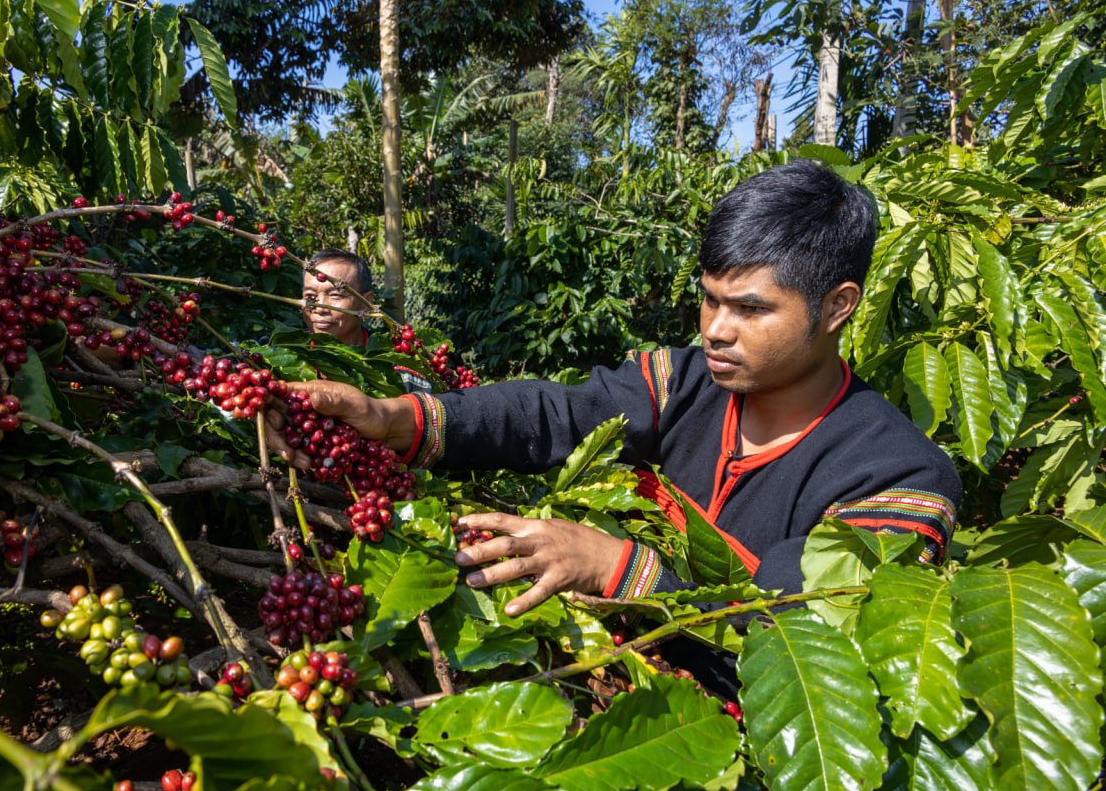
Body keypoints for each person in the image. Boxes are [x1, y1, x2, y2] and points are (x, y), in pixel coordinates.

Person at [274, 161, 962, 623]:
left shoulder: (897, 480)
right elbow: (555, 413)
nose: (715, 330)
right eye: (709, 299)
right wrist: (392, 417)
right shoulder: (684, 383)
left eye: (750, 309)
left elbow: (795, 629)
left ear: (838, 306)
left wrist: (619, 568)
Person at [301, 249, 437, 394]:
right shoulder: (292, 356)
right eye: (310, 296)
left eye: (335, 295)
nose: (320, 308)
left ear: (366, 303)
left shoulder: (397, 367)